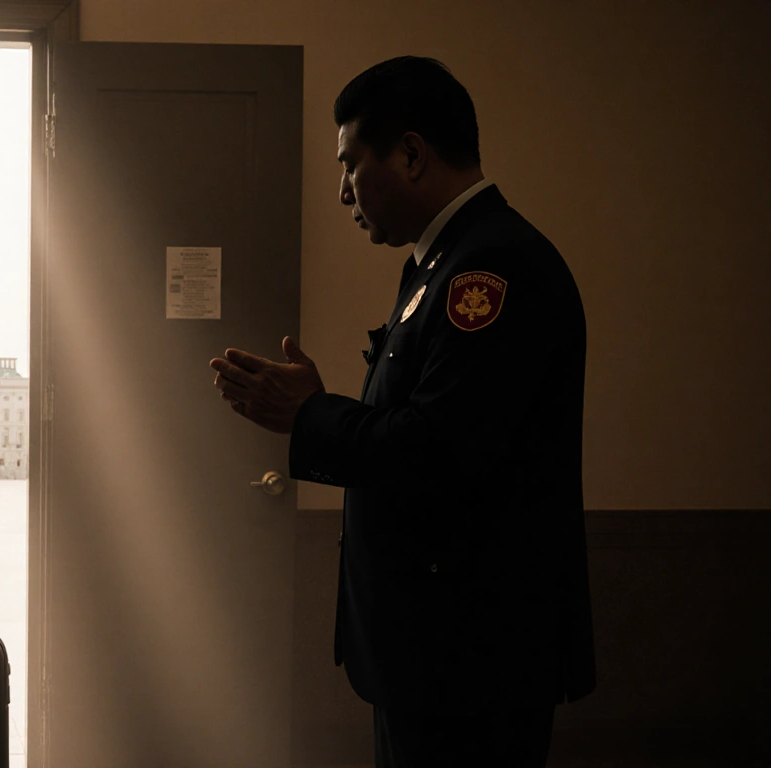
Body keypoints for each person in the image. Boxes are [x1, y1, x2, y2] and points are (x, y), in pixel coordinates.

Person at [210, 56, 595, 766]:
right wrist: (314, 411)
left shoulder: (493, 268)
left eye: (352, 163)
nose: (343, 190)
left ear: (411, 153)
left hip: (471, 658)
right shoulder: (440, 262)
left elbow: (438, 450)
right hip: (435, 651)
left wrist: (312, 414)